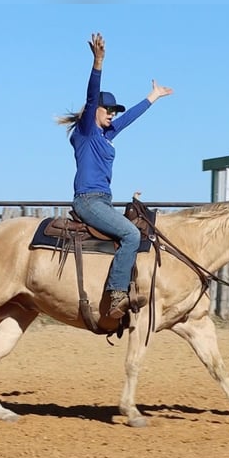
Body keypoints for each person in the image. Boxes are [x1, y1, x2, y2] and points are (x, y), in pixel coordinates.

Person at [57, 32, 173, 319]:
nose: (111, 113)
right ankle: (117, 293)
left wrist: (153, 97)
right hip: (88, 200)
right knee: (131, 234)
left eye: (113, 110)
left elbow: (129, 118)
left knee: (139, 229)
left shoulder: (108, 135)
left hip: (103, 201)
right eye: (106, 109)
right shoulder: (86, 132)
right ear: (93, 111)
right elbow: (90, 93)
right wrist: (98, 62)